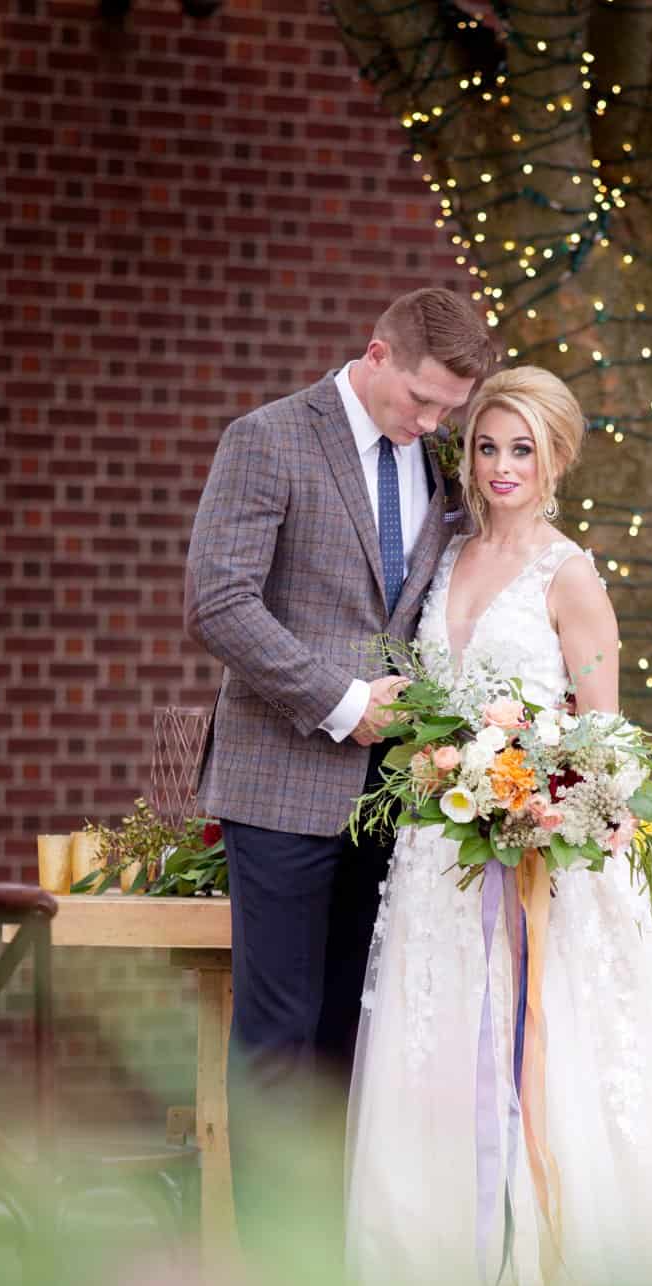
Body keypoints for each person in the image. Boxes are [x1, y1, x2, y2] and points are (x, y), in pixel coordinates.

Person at [345, 366, 652, 1286]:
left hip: (545, 865)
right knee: (431, 1052)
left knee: (564, 1066)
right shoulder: (442, 558)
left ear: (555, 457)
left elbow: (606, 739)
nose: (501, 466)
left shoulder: (571, 573)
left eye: (522, 448)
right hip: (439, 859)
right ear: (464, 457)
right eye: (484, 446)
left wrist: (547, 807)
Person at [184, 288, 496, 1234]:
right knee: (278, 1041)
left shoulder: (437, 467)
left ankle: (340, 1283)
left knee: (354, 1037)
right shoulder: (268, 438)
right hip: (280, 784)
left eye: (450, 410)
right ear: (376, 355)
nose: (437, 424)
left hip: (396, 800)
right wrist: (343, 702)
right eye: (424, 402)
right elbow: (218, 601)